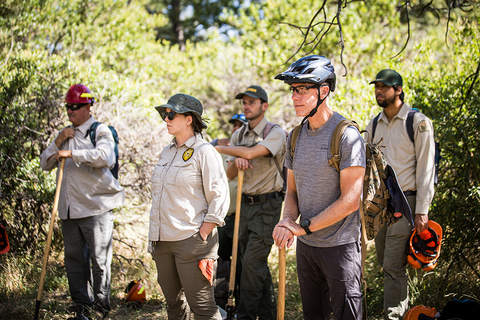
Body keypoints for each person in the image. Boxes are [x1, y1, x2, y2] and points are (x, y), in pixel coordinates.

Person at [272, 55, 366, 320]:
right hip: (307, 249)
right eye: (293, 90)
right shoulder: (295, 136)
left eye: (303, 89)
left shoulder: (346, 135)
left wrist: (303, 227)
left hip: (340, 248)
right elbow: (292, 191)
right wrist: (288, 222)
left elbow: (351, 200)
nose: (295, 97)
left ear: (324, 91)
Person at [40, 84, 125, 320]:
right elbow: (45, 164)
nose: (71, 110)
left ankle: (101, 306)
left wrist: (73, 154)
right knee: (74, 261)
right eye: (68, 106)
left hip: (95, 208)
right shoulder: (65, 134)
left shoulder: (100, 131)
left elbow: (106, 157)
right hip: (69, 209)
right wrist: (57, 142)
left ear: (88, 106)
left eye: (75, 106)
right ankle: (80, 305)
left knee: (100, 260)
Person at [148, 93, 230, 320]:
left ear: (189, 119)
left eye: (172, 114)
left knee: (203, 307)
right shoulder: (167, 151)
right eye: (165, 114)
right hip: (162, 241)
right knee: (174, 305)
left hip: (191, 242)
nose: (166, 118)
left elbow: (220, 195)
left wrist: (203, 232)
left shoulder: (204, 152)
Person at [364, 69, 435, 319]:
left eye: (384, 86)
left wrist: (422, 210)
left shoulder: (417, 122)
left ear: (399, 90)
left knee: (393, 267)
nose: (379, 90)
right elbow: (366, 166)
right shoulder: (373, 124)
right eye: (376, 86)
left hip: (407, 202)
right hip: (381, 205)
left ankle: (393, 317)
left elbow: (427, 169)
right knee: (387, 263)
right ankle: (405, 314)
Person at [215, 85, 286, 320]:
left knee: (252, 263)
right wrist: (238, 161)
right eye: (244, 102)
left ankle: (244, 315)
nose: (246, 106)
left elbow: (254, 152)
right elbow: (230, 173)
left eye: (251, 102)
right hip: (245, 205)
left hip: (268, 205)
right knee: (251, 263)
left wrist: (217, 148)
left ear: (264, 106)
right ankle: (266, 315)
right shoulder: (238, 135)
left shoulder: (274, 132)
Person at [211, 114, 248, 309]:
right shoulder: (224, 150)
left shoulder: (251, 151)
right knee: (221, 258)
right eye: (234, 125)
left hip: (242, 216)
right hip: (222, 216)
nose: (236, 128)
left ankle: (241, 299)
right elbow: (208, 148)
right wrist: (217, 141)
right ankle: (222, 298)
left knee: (241, 259)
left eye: (241, 126)